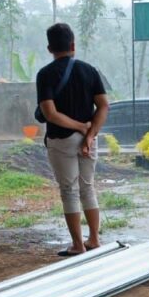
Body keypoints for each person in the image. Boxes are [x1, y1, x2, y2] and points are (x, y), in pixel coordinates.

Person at [36, 22, 109, 256]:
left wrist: (78, 128)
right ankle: (94, 239)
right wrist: (89, 134)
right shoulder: (90, 70)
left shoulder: (45, 74)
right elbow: (103, 106)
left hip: (61, 140)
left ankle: (78, 245)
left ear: (50, 48)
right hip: (88, 138)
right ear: (73, 45)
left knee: (69, 190)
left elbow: (50, 114)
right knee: (87, 187)